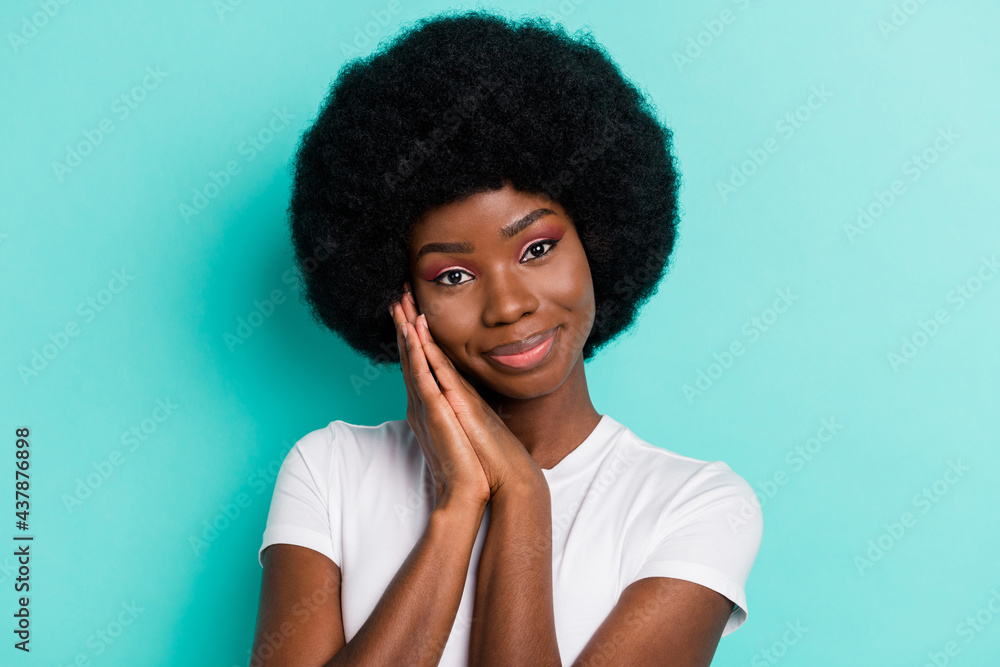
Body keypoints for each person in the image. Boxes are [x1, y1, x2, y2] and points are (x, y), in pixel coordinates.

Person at [252, 9, 762, 666]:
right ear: (399, 296)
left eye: (538, 247)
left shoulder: (694, 505)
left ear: (598, 240)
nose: (510, 303)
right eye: (454, 273)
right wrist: (460, 503)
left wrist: (523, 496)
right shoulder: (331, 471)